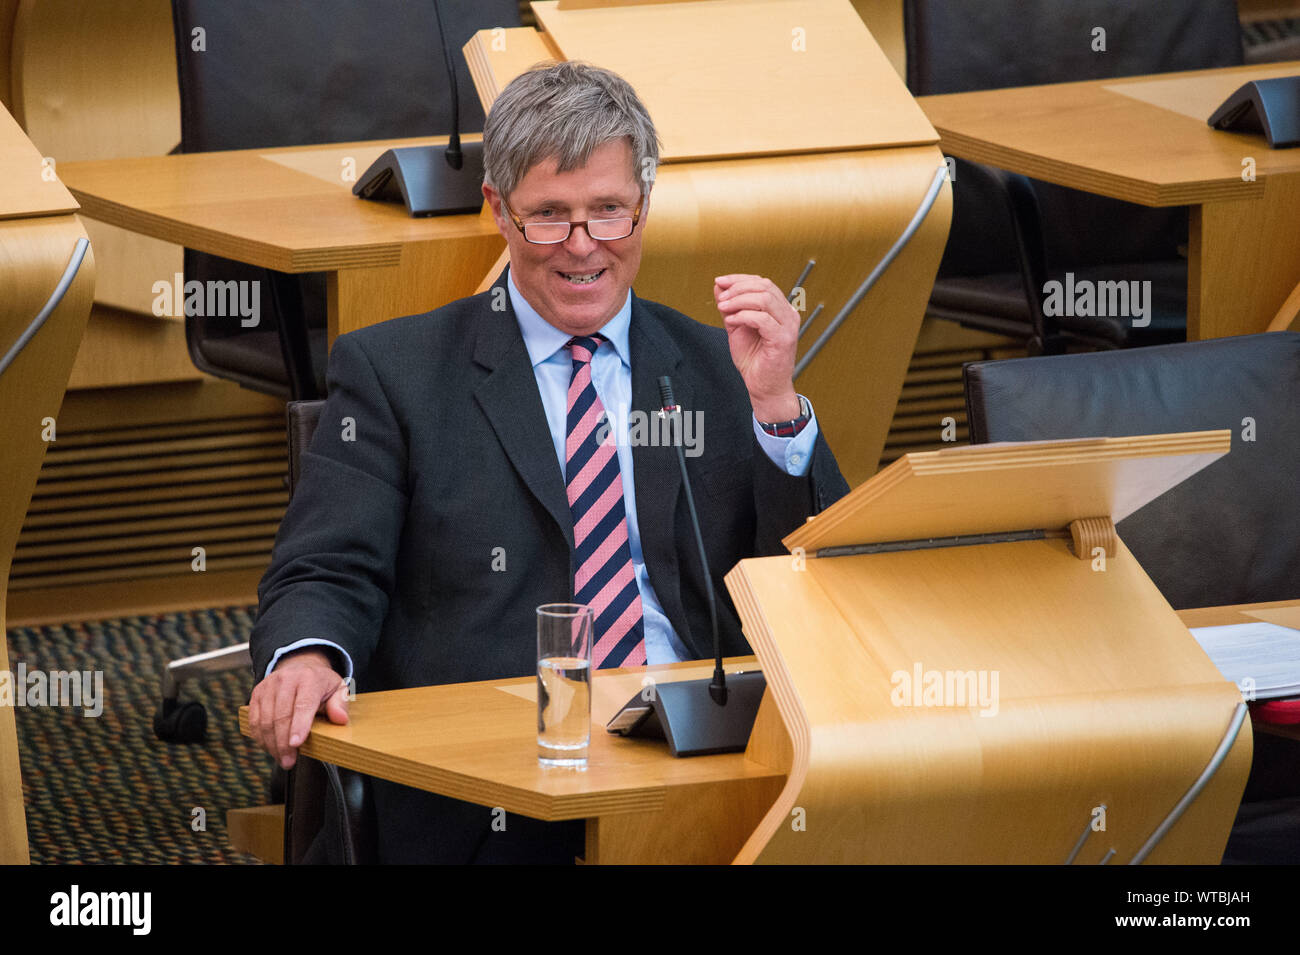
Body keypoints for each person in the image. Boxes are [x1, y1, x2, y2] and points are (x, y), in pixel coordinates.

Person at [247, 61, 849, 863]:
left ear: (644, 205)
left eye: (609, 213)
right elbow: (325, 569)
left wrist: (777, 410)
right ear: (498, 210)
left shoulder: (715, 368)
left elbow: (813, 586)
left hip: (704, 766)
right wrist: (310, 653)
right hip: (492, 787)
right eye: (549, 217)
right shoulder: (399, 373)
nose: (582, 248)